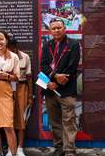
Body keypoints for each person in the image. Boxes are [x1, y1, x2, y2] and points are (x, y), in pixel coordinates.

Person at [41, 18, 80, 156]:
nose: (56, 30)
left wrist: (57, 80)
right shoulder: (47, 45)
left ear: (64, 28)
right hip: (50, 90)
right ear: (50, 30)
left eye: (59, 27)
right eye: (53, 28)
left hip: (67, 90)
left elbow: (73, 66)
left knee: (69, 121)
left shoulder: (74, 44)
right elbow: (44, 65)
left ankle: (69, 150)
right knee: (55, 121)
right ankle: (59, 148)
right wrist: (54, 78)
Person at [8, 36, 33, 156]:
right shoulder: (4, 57)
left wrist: (30, 95)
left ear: (16, 46)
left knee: (22, 119)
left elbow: (29, 77)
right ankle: (10, 148)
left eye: (12, 48)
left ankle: (20, 147)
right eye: (8, 47)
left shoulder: (25, 57)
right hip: (7, 88)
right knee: (8, 118)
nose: (10, 50)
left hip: (21, 88)